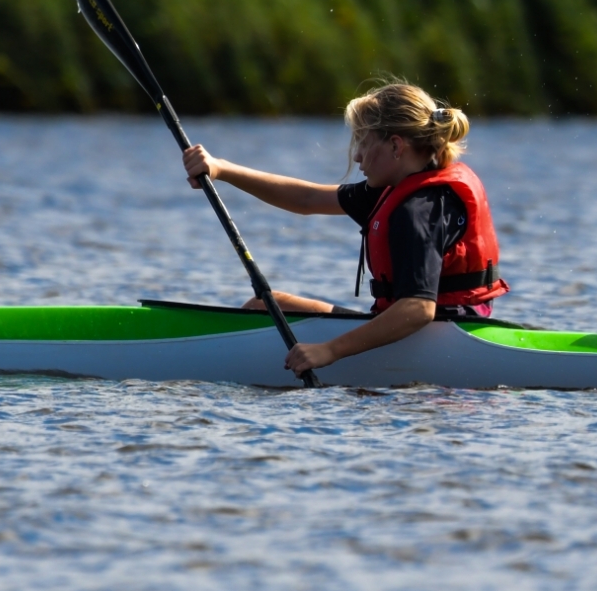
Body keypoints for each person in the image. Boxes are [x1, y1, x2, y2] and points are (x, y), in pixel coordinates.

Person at [180, 81, 508, 377]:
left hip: (439, 339)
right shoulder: (396, 187)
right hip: (425, 330)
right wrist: (220, 169)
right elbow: (306, 199)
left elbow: (418, 308)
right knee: (260, 308)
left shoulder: (418, 210)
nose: (357, 156)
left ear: (396, 146)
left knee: (260, 314)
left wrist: (329, 351)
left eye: (363, 142)